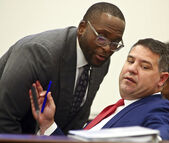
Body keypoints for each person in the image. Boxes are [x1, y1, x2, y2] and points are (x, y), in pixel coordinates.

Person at [0, 2, 125, 134]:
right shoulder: (40, 53)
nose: (107, 48)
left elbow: (75, 123)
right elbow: (4, 118)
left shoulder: (100, 61)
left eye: (115, 43)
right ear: (82, 28)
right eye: (101, 37)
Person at [29, 38, 169, 140]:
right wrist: (48, 124)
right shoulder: (114, 109)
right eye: (130, 61)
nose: (132, 69)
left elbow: (159, 138)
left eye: (144, 66)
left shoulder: (164, 109)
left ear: (162, 79)